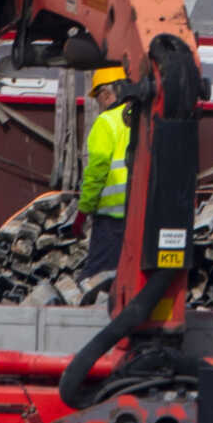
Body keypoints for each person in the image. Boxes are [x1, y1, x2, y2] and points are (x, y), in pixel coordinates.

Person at [75, 66, 133, 279]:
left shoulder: (106, 122)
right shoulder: (144, 117)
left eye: (97, 96)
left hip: (112, 219)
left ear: (107, 94)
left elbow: (96, 173)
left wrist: (82, 212)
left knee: (96, 277)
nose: (98, 102)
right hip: (142, 216)